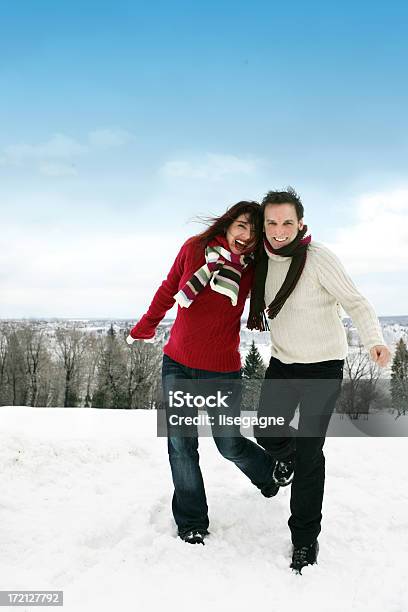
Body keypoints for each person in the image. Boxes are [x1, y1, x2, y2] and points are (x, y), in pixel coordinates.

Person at [248, 187, 391, 573]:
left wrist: (375, 340)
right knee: (266, 433)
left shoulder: (318, 258)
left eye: (287, 222)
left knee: (311, 454)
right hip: (283, 362)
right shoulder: (259, 258)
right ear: (264, 224)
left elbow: (356, 302)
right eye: (272, 222)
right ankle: (289, 458)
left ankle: (304, 539)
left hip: (323, 366)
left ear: (301, 223)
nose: (279, 231)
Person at [127, 201, 279, 545]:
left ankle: (267, 472)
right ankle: (192, 520)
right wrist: (146, 326)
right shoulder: (194, 249)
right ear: (228, 224)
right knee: (181, 446)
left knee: (228, 444)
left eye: (255, 232)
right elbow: (169, 289)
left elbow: (282, 287)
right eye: (242, 225)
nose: (246, 236)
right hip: (177, 363)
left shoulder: (254, 268)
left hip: (222, 371)